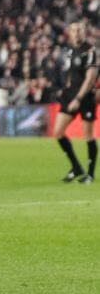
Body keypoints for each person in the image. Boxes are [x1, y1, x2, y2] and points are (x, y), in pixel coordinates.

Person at [53, 21, 98, 183]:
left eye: (79, 30)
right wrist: (65, 90)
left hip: (85, 98)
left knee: (88, 135)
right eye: (74, 30)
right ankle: (76, 167)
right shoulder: (70, 51)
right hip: (69, 96)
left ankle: (90, 174)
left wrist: (78, 98)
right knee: (58, 132)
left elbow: (90, 78)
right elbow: (70, 74)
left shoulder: (90, 51)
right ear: (70, 33)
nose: (77, 33)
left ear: (84, 32)